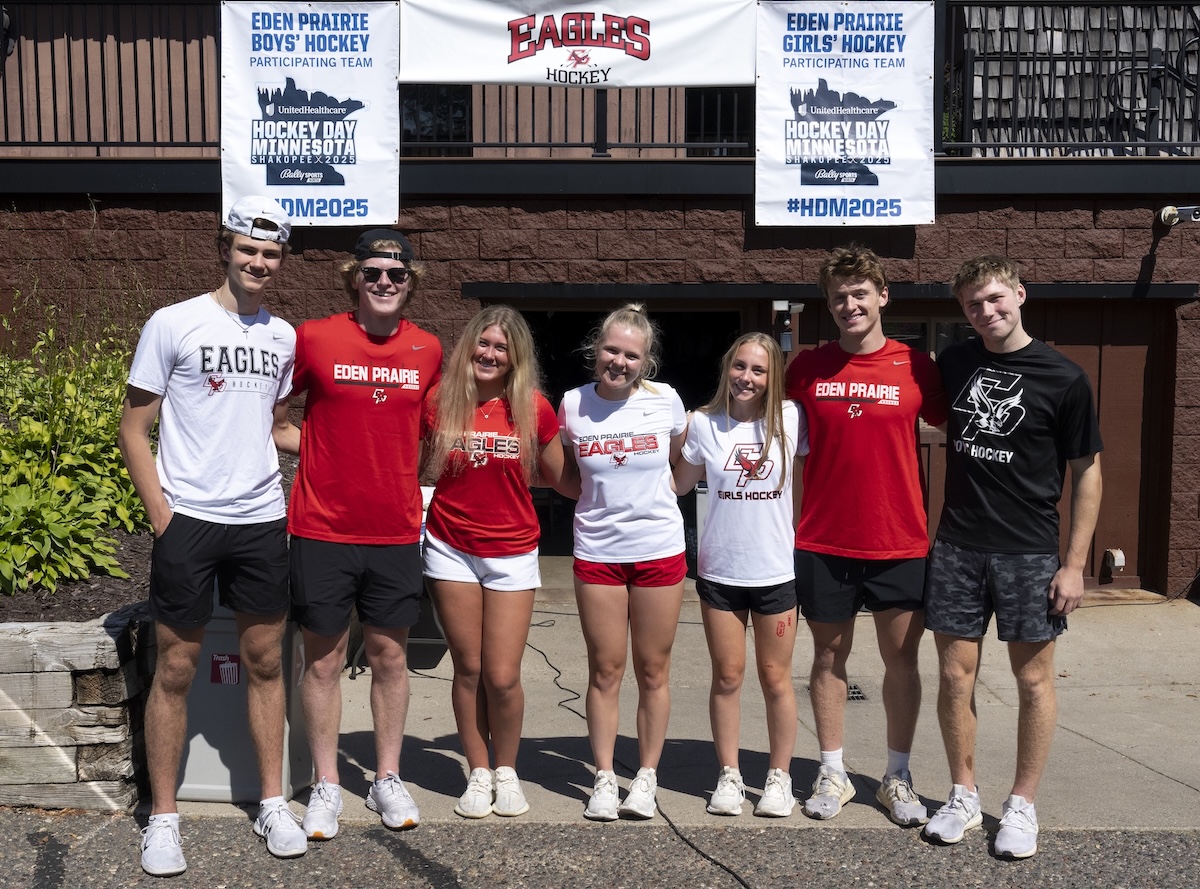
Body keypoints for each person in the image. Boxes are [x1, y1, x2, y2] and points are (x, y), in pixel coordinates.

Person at [119, 196, 304, 876]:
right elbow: (133, 429)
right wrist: (162, 517)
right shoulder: (174, 323)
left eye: (272, 253)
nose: (258, 261)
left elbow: (276, 426)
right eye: (249, 249)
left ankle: (273, 801)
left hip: (260, 520)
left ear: (280, 261)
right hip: (189, 520)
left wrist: (340, 450)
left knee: (264, 664)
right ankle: (163, 818)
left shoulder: (283, 337)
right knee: (173, 669)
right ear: (226, 248)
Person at [923, 256, 1103, 859]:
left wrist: (1075, 563)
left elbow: (1088, 472)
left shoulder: (1064, 377)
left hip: (1029, 552)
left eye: (996, 298)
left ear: (1021, 295)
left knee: (1032, 680)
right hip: (957, 546)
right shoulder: (955, 361)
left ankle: (1021, 805)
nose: (986, 312)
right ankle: (963, 794)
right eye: (973, 304)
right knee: (954, 676)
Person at [275, 229, 442, 841]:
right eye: (373, 273)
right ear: (354, 277)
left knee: (390, 657)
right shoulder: (314, 338)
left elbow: (428, 432)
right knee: (320, 661)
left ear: (410, 281)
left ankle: (386, 779)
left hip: (395, 530)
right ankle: (326, 784)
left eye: (396, 275)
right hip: (321, 527)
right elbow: (275, 419)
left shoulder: (429, 348)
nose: (384, 283)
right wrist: (318, 450)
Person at [784, 244, 947, 826]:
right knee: (828, 655)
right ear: (829, 306)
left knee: (901, 660)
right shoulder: (805, 367)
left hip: (899, 538)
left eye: (859, 293)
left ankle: (895, 777)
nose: (849, 305)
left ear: (882, 296)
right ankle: (833, 770)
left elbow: (970, 427)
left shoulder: (916, 365)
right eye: (838, 298)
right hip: (823, 539)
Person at [423, 305, 565, 819]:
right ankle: (478, 772)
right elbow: (398, 455)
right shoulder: (439, 401)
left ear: (515, 357)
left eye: (501, 348)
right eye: (482, 344)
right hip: (449, 547)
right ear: (468, 347)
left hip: (512, 551)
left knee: (502, 675)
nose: (489, 354)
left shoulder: (533, 408)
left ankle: (507, 770)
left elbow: (565, 479)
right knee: (469, 667)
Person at [557, 303, 688, 821]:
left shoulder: (666, 401)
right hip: (598, 552)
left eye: (631, 355)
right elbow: (566, 473)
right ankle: (606, 776)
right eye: (611, 350)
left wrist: (661, 500)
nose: (619, 362)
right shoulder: (571, 404)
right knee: (605, 669)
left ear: (646, 360)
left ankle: (647, 776)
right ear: (596, 350)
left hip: (658, 549)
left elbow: (681, 462)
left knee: (652, 669)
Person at [672, 333, 806, 817]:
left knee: (776, 679)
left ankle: (779, 776)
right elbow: (677, 485)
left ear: (773, 379)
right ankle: (729, 774)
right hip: (720, 572)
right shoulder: (704, 424)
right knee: (727, 677)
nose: (746, 378)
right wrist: (666, 439)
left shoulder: (791, 419)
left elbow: (809, 486)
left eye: (759, 370)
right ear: (728, 368)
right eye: (740, 367)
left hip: (775, 571)